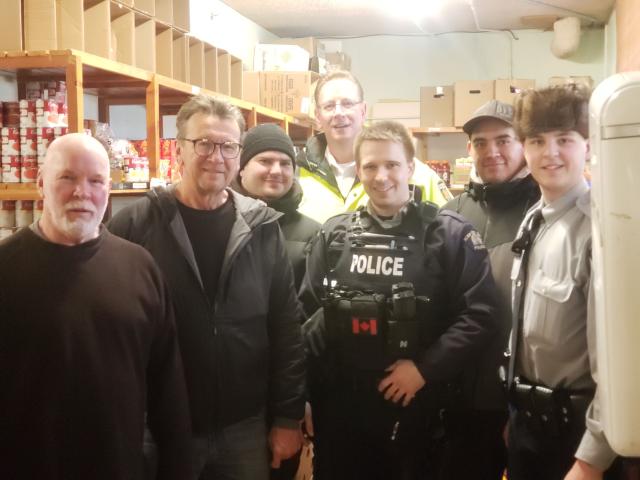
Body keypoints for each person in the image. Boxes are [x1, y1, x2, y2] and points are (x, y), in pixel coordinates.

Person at [108, 94, 306, 480]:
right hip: (158, 428)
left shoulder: (263, 229)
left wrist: (287, 417)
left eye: (228, 146)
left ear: (239, 154)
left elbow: (286, 330)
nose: (217, 156)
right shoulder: (134, 226)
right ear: (179, 148)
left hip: (243, 428)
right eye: (204, 143)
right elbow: (111, 329)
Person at [300, 120, 499, 480]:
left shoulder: (449, 235)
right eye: (371, 166)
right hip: (342, 412)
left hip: (418, 408)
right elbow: (307, 317)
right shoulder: (335, 236)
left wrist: (425, 370)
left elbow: (481, 315)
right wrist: (304, 397)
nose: (381, 176)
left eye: (391, 164)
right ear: (358, 171)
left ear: (410, 167)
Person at [0, 133, 192, 479]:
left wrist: (177, 467)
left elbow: (168, 387)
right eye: (67, 178)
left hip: (118, 467)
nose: (81, 192)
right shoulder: (6, 269)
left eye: (96, 181)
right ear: (42, 184)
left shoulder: (140, 267)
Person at [507, 85, 619, 480]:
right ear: (525, 148)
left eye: (564, 140)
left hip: (578, 437)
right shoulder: (534, 219)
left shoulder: (601, 231)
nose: (550, 153)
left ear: (586, 146)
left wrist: (591, 460)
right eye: (537, 140)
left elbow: (617, 358)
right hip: (529, 428)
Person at [441, 100, 540, 479]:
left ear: (523, 143)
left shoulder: (543, 209)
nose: (491, 151)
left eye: (503, 140)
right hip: (461, 401)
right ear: (469, 150)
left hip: (525, 401)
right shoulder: (451, 213)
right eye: (480, 142)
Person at [297, 70, 452, 224]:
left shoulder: (415, 174)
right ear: (317, 116)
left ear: (363, 110)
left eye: (347, 104)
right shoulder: (296, 175)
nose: (338, 113)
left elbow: (449, 232)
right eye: (329, 106)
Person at [231, 123, 320, 291]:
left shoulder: (313, 234)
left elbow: (311, 302)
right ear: (242, 168)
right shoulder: (220, 219)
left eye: (285, 163)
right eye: (265, 161)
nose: (276, 171)